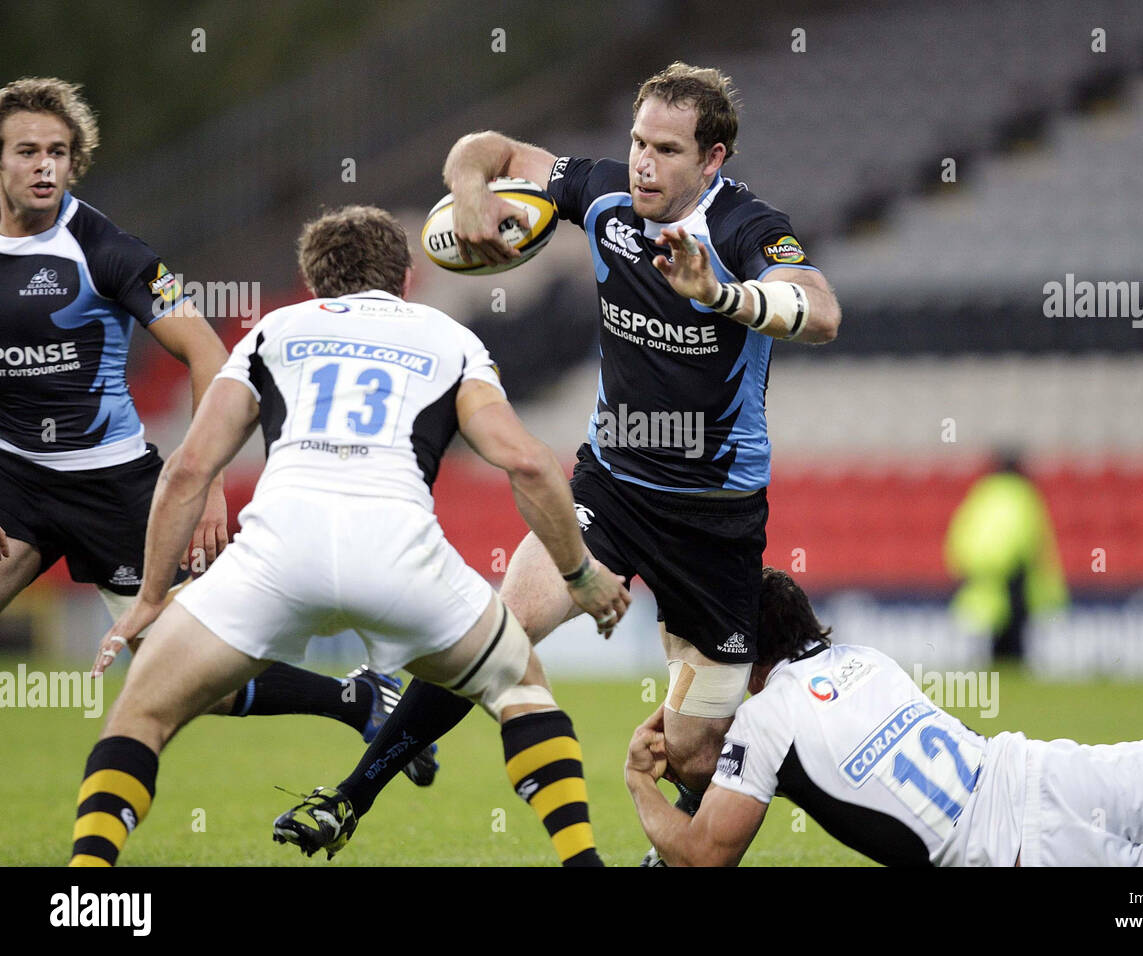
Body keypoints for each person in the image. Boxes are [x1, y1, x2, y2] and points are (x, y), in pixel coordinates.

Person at [275, 61, 843, 859]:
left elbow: (820, 311)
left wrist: (721, 294)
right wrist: (471, 193)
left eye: (668, 150)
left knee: (695, 750)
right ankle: (346, 801)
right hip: (612, 491)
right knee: (495, 637)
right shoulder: (605, 192)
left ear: (713, 159)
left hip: (716, 517)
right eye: (639, 141)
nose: (644, 162)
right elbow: (488, 147)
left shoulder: (748, 228)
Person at [68, 205, 630, 867]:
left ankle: (85, 884)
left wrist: (150, 597)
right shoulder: (447, 338)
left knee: (142, 714)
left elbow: (189, 467)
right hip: (400, 557)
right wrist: (580, 574)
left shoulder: (273, 330)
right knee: (522, 690)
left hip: (277, 555)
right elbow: (528, 462)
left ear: (312, 282)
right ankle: (583, 863)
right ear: (407, 277)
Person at [0, 77, 438, 784]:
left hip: (112, 491)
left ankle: (351, 697)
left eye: (58, 151)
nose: (45, 166)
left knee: (188, 679)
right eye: (27, 152)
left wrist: (203, 487)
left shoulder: (108, 250)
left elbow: (208, 352)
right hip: (16, 480)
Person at [624, 568, 1143, 866]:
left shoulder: (767, 719)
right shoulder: (863, 657)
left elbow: (709, 856)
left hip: (1022, 854)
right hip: (1042, 770)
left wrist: (641, 786)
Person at [944, 451, 1068, 658]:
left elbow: (960, 535)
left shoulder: (982, 493)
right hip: (1013, 577)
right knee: (1013, 640)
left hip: (979, 579)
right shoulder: (1023, 494)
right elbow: (1034, 540)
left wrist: (967, 566)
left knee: (987, 641)